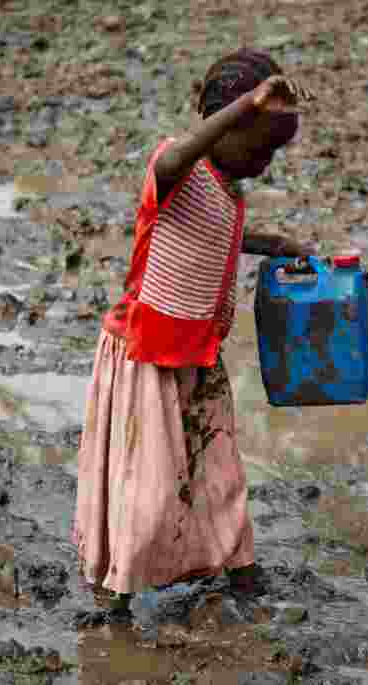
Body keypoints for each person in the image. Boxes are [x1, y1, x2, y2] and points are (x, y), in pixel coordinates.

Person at [71, 47, 316, 612]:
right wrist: (246, 106)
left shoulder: (228, 193)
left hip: (199, 355)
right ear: (222, 128)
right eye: (258, 148)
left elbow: (221, 237)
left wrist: (274, 245)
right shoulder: (174, 170)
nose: (263, 163)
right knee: (149, 487)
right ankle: (119, 591)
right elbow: (175, 159)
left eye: (272, 153)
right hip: (147, 357)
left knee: (219, 468)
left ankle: (240, 567)